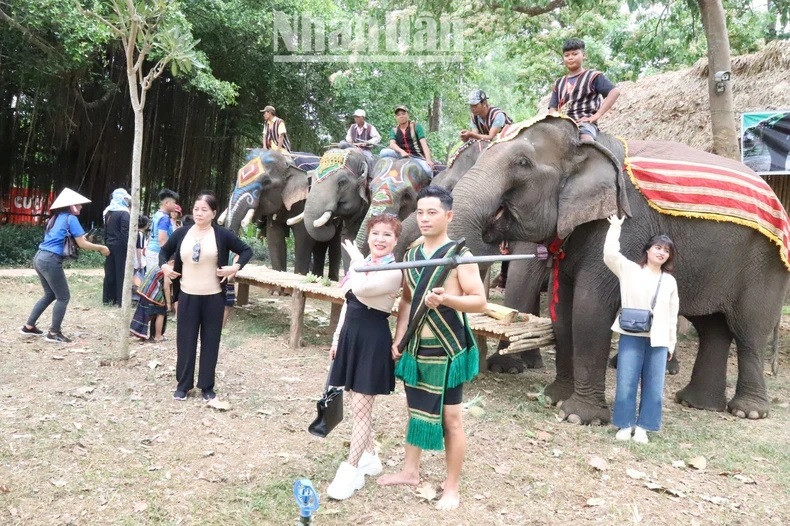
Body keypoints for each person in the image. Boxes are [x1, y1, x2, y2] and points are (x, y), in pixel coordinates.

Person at [377, 186, 486, 511]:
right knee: (415, 410)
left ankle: (452, 486)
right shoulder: (411, 255)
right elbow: (407, 300)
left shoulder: (460, 256)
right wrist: (399, 338)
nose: (424, 218)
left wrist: (447, 299)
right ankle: (409, 471)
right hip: (416, 347)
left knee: (451, 418)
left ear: (448, 216)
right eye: (420, 212)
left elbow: (479, 301)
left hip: (449, 349)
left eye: (432, 212)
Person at [325, 214, 403, 501]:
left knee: (361, 409)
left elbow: (362, 289)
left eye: (387, 235)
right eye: (375, 233)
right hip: (351, 336)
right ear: (368, 236)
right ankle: (370, 457)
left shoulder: (394, 270)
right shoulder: (363, 265)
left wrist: (357, 261)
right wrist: (337, 337)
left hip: (372, 339)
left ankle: (350, 469)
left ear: (396, 240)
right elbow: (349, 301)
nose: (380, 239)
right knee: (356, 403)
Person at [159, 192, 253, 401]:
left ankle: (207, 386)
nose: (199, 213)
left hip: (213, 297)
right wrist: (165, 266)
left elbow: (246, 250)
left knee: (210, 341)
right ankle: (183, 386)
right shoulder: (182, 233)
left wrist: (235, 267)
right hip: (187, 296)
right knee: (186, 341)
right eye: (196, 209)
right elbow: (163, 252)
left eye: (204, 210)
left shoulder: (222, 234)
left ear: (213, 213)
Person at [604, 214, 679, 444]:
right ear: (647, 250)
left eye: (666, 251)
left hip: (659, 340)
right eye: (658, 247)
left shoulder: (669, 281)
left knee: (654, 386)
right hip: (632, 334)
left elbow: (672, 315)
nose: (661, 253)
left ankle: (644, 427)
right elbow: (610, 255)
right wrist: (615, 228)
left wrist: (671, 344)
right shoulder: (630, 270)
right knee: (626, 381)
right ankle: (625, 425)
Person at [20, 188, 110, 343]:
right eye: (79, 204)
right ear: (71, 206)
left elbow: (61, 238)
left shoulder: (55, 218)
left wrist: (82, 239)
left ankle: (29, 327)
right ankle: (53, 333)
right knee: (63, 297)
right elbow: (82, 244)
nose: (81, 207)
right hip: (50, 260)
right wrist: (101, 248)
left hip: (40, 257)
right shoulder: (71, 218)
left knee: (50, 294)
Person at [548, 38, 620, 142]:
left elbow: (614, 92)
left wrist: (597, 115)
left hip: (583, 124)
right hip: (562, 125)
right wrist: (556, 119)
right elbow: (552, 109)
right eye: (567, 55)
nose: (570, 58)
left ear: (584, 55)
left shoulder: (593, 76)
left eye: (574, 54)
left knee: (585, 141)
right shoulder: (559, 83)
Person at [380, 105, 435, 177]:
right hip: (402, 155)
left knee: (428, 171)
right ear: (396, 117)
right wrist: (401, 151)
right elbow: (392, 144)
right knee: (383, 152)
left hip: (416, 157)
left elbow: (424, 144)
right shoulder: (394, 130)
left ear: (408, 115)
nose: (401, 116)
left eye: (403, 114)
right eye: (398, 115)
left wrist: (428, 160)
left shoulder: (416, 126)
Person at [102, 188, 132, 306]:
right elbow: (125, 232)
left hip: (109, 245)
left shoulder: (108, 212)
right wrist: (128, 247)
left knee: (109, 272)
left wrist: (105, 243)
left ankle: (107, 298)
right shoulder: (124, 213)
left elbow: (105, 230)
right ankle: (120, 300)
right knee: (121, 272)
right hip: (120, 246)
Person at [145, 188, 179, 272]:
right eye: (174, 203)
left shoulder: (157, 214)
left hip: (151, 250)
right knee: (157, 278)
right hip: (157, 252)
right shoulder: (164, 218)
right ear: (167, 203)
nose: (175, 205)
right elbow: (162, 239)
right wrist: (167, 256)